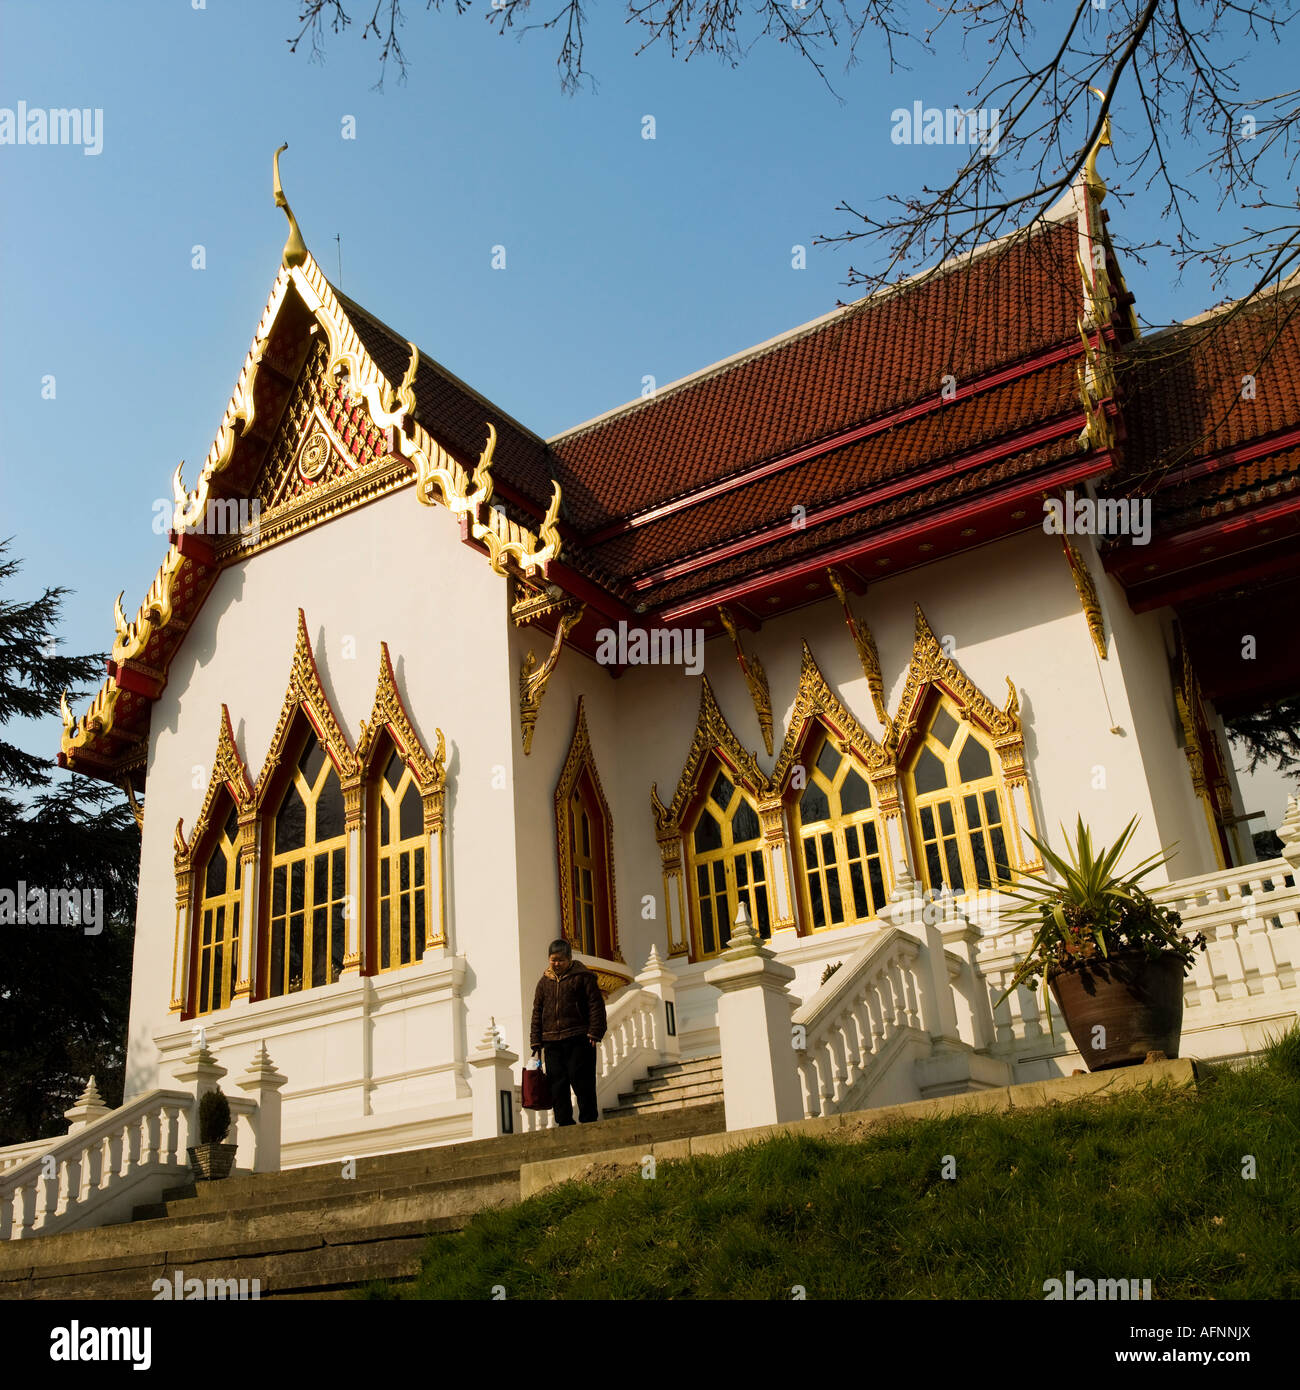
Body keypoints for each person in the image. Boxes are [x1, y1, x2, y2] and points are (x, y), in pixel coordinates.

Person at [530, 939, 607, 1125]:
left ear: (570, 959)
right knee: (557, 1085)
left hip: (579, 1038)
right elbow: (537, 1011)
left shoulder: (583, 977)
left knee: (582, 1082)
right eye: (553, 960)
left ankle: (589, 1120)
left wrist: (595, 1032)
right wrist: (535, 1040)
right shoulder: (543, 983)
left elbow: (596, 1005)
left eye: (560, 960)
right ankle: (564, 1122)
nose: (556, 964)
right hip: (552, 1042)